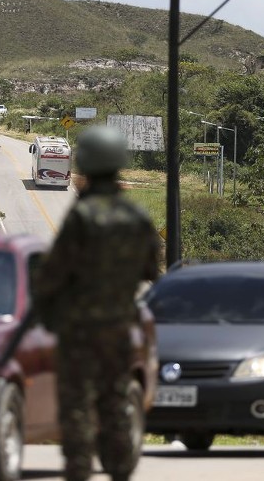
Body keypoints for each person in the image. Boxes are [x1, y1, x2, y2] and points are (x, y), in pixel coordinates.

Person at [33, 125, 160, 481]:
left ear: (85, 164)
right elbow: (152, 268)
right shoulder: (136, 216)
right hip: (120, 327)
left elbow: (53, 273)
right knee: (115, 401)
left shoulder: (83, 216)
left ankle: (80, 470)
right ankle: (120, 469)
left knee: (77, 405)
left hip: (80, 329)